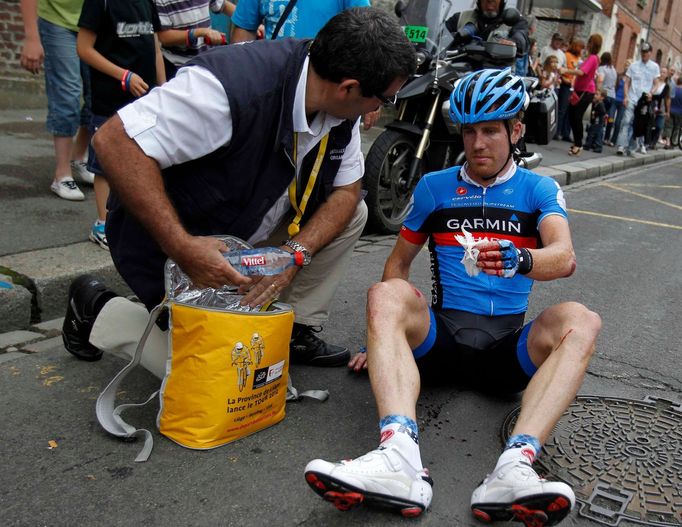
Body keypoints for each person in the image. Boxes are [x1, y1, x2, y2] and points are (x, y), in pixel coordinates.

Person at [304, 68, 601, 524]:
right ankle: (397, 457)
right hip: (439, 343)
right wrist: (380, 340)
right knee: (384, 293)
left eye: (490, 131)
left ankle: (515, 468)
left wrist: (520, 259)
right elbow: (398, 266)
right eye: (469, 132)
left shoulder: (538, 189)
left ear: (515, 130)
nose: (478, 143)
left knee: (582, 320)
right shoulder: (435, 187)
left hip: (506, 354)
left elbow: (563, 257)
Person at [60, 7, 417, 371]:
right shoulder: (227, 88)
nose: (380, 109)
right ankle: (96, 306)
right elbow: (113, 142)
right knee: (211, 371)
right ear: (349, 88)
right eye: (384, 99)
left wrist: (295, 255)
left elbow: (346, 192)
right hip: (169, 243)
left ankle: (291, 328)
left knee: (355, 212)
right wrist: (183, 247)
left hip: (243, 226)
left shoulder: (339, 105)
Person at [76, 0, 166, 250]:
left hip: (144, 99)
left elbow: (155, 48)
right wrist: (122, 75)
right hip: (109, 99)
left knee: (143, 159)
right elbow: (83, 48)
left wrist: (163, 88)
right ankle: (102, 224)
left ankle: (133, 220)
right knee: (104, 164)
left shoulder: (148, 2)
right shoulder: (100, 3)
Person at [230, 0, 379, 131]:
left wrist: (372, 92)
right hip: (273, 92)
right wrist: (238, 87)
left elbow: (367, 34)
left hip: (328, 98)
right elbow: (245, 29)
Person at [20, 0, 95, 201]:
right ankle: (62, 174)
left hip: (96, 21)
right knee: (68, 94)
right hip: (58, 21)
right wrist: (32, 37)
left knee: (96, 94)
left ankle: (79, 158)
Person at [154, 0, 237, 78]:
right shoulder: (160, 1)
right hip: (179, 66)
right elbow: (164, 37)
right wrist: (199, 33)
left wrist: (245, 21)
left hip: (206, 61)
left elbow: (224, 6)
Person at [445, 0, 529, 75]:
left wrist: (513, 43)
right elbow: (438, 36)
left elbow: (521, 37)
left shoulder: (514, 21)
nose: (489, 0)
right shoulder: (460, 18)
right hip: (458, 77)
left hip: (497, 80)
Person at [616, 42, 660, 156]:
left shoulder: (654, 67)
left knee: (638, 124)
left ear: (650, 53)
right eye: (642, 52)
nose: (644, 54)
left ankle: (631, 147)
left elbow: (656, 83)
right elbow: (627, 82)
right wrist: (626, 96)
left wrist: (652, 92)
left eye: (646, 52)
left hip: (644, 101)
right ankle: (621, 145)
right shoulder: (633, 65)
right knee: (626, 121)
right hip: (632, 97)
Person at [564, 34, 601, 156]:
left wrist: (566, 70)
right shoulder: (591, 57)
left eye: (589, 42)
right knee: (572, 115)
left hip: (586, 91)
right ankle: (577, 143)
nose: (587, 44)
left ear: (592, 44)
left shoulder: (593, 58)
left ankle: (578, 144)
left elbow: (581, 72)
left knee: (576, 117)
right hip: (580, 90)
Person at [556, 38, 584, 142]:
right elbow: (563, 70)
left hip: (573, 86)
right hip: (566, 84)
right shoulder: (567, 55)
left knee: (569, 111)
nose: (582, 51)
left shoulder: (578, 58)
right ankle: (557, 131)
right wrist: (565, 78)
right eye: (581, 48)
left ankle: (566, 133)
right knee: (562, 109)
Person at [596, 52, 617, 146]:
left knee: (599, 117)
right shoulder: (613, 70)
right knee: (609, 118)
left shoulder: (602, 68)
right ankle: (607, 137)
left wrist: (598, 91)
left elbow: (600, 80)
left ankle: (597, 138)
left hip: (604, 94)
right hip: (612, 95)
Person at [648, 67, 670, 150]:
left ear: (666, 75)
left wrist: (668, 111)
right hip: (652, 106)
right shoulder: (654, 83)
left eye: (664, 72)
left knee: (659, 126)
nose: (662, 74)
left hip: (661, 108)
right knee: (650, 125)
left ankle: (653, 142)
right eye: (661, 72)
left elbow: (665, 97)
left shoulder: (666, 86)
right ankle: (649, 141)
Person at [668, 76, 682, 148]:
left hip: (670, 110)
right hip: (679, 112)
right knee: (677, 127)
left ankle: (668, 142)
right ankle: (673, 142)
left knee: (670, 127)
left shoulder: (673, 89)